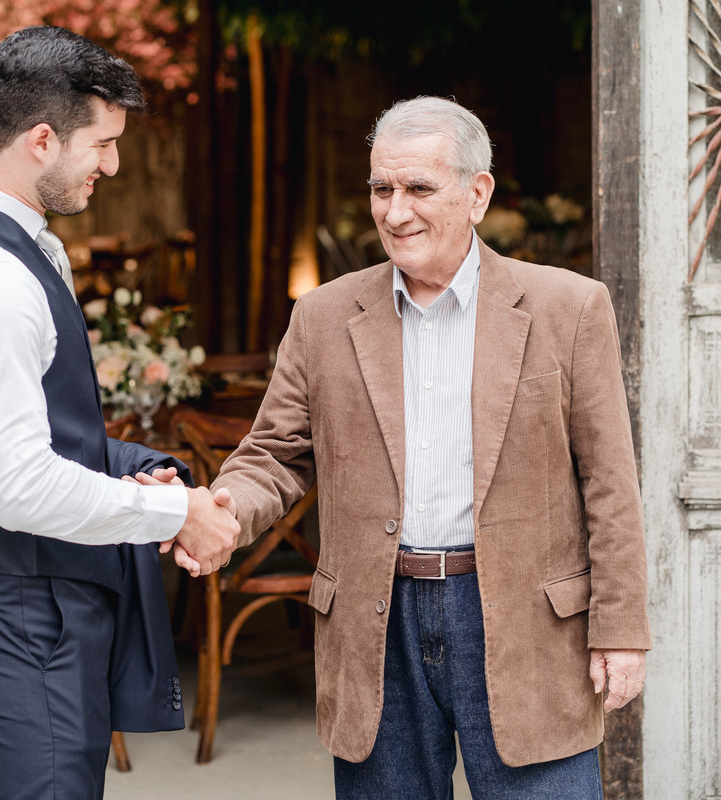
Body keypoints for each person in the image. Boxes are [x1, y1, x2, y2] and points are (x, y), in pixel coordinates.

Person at [209, 96, 650, 799]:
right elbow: (274, 455)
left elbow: (609, 482)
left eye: (418, 188)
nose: (394, 210)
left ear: (477, 194)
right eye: (381, 188)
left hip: (523, 621)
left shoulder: (568, 308)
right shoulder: (323, 316)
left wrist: (621, 629)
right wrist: (225, 508)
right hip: (375, 622)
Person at [0, 27, 238, 800]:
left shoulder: (28, 247)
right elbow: (17, 487)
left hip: (42, 593)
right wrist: (174, 514)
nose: (113, 165)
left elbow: (46, 434)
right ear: (43, 139)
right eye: (104, 144)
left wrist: (137, 472)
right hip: (22, 602)